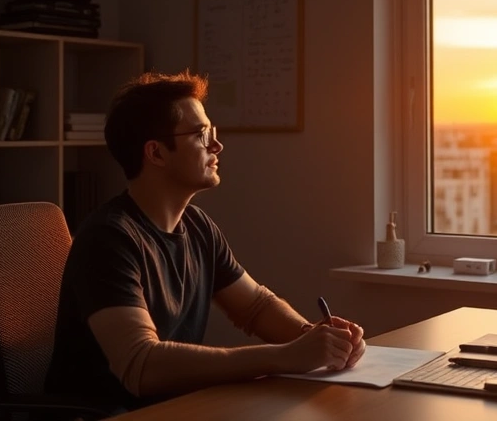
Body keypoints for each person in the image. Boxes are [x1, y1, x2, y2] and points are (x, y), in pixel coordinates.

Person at [44, 70, 366, 413]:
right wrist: (284, 357)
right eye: (201, 135)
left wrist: (313, 337)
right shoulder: (108, 238)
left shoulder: (197, 226)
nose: (217, 145)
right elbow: (140, 366)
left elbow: (255, 307)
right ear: (156, 153)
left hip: (176, 407)